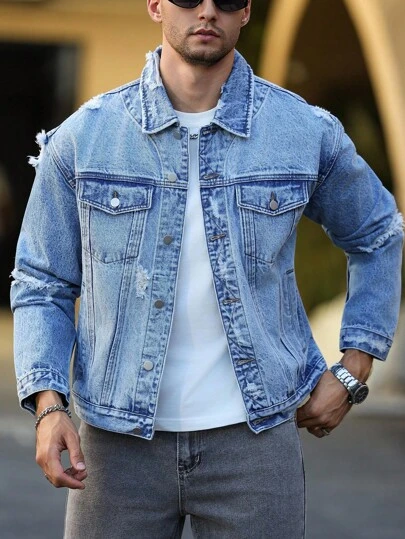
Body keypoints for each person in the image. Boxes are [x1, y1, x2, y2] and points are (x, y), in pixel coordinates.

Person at [11, 1, 403, 538]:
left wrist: (354, 367)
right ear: (155, 4)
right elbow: (42, 282)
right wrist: (48, 404)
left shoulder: (301, 130)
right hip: (117, 447)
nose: (207, 11)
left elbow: (379, 233)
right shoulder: (87, 137)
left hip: (255, 444)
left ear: (247, 11)